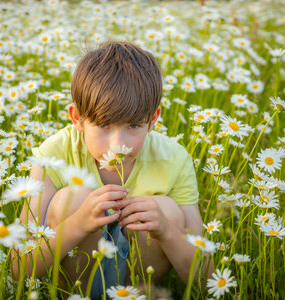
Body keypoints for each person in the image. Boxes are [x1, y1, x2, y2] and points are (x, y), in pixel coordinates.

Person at [13, 41, 208, 299]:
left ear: (153, 119)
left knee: (167, 211)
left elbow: (206, 280)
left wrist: (165, 231)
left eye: (134, 126)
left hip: (138, 285)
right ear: (77, 118)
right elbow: (19, 270)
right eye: (104, 125)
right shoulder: (53, 155)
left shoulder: (174, 159)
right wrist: (77, 225)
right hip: (75, 285)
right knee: (72, 200)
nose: (118, 145)